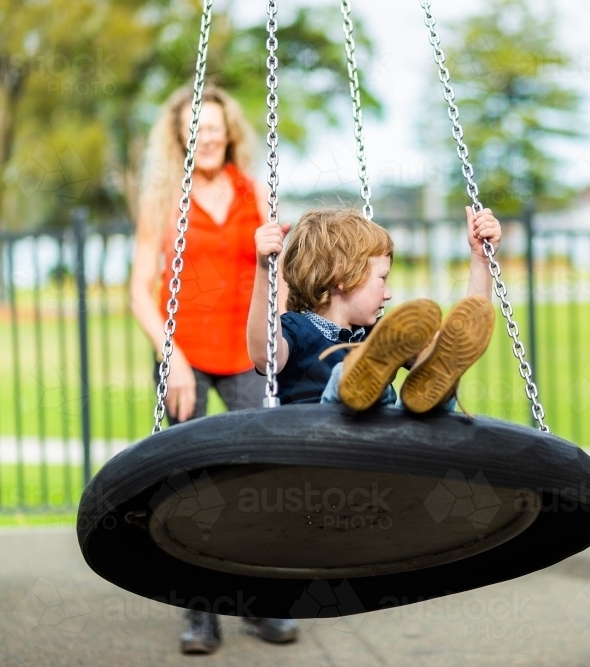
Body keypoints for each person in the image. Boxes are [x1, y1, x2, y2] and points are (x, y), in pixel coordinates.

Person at [129, 85, 298, 654]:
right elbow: (139, 292)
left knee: (261, 479)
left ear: (230, 133)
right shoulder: (163, 198)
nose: (208, 137)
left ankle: (260, 601)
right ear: (180, 136)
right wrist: (171, 356)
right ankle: (200, 614)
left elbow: (277, 278)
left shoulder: (257, 192)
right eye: (197, 129)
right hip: (185, 355)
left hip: (244, 351)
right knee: (189, 487)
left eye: (217, 128)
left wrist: (277, 334)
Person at [246, 207, 501, 411]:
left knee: (433, 368)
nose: (388, 293)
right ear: (342, 277)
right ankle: (358, 377)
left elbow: (456, 345)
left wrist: (481, 260)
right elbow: (265, 355)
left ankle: (436, 391)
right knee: (343, 376)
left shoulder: (379, 333)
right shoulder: (296, 329)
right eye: (382, 278)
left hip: (379, 446)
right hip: (316, 444)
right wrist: (264, 269)